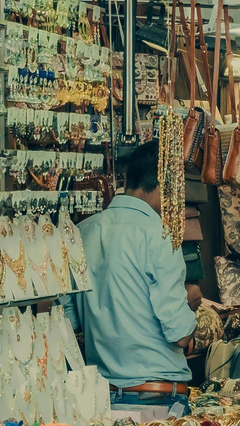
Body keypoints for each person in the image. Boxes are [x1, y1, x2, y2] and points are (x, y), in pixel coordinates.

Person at [62, 141, 198, 409]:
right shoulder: (160, 235)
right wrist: (189, 304)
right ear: (166, 185)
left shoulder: (81, 233)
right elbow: (180, 335)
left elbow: (69, 321)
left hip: (102, 398)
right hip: (157, 399)